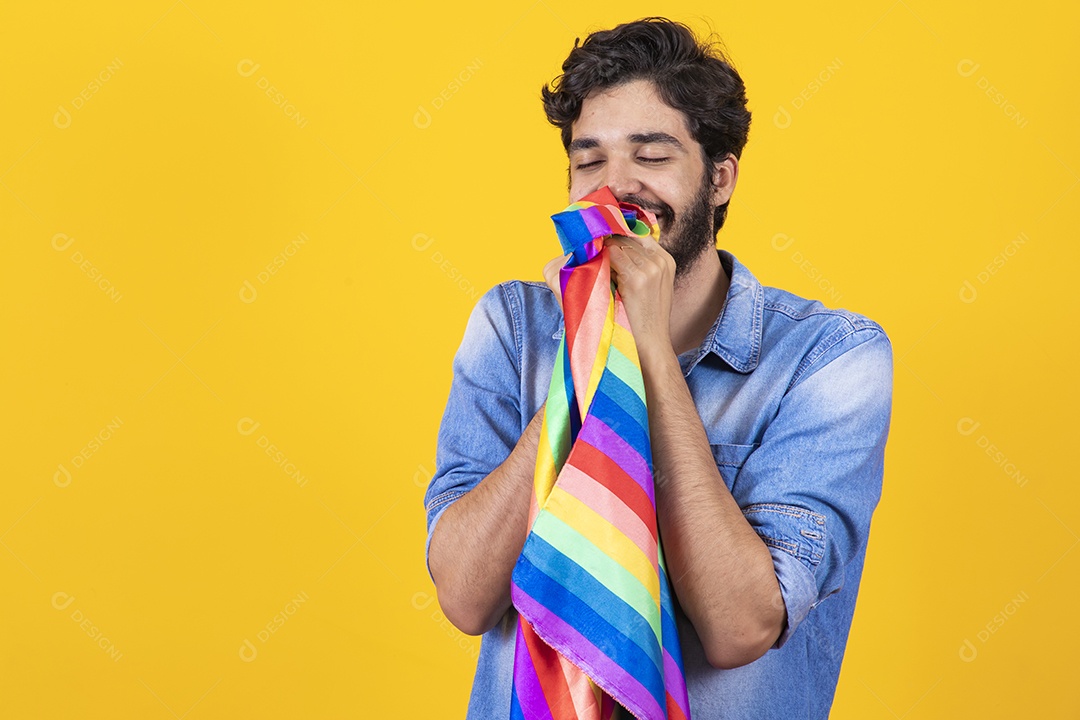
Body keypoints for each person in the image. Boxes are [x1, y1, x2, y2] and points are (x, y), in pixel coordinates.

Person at [423, 16, 893, 719]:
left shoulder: (831, 359)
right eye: (590, 161)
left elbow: (741, 627)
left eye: (652, 156)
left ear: (721, 178)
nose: (616, 190)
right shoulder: (512, 328)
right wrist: (582, 358)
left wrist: (644, 346)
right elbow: (464, 595)